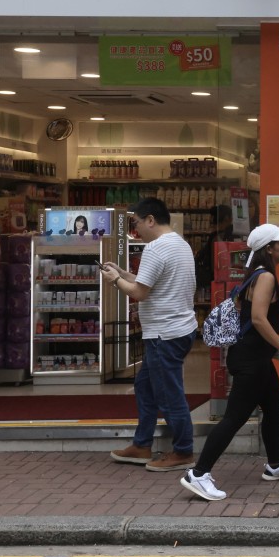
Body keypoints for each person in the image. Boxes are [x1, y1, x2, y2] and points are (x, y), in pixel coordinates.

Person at [180, 223, 279, 501]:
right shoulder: (266, 277)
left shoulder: (257, 274)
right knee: (234, 418)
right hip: (251, 360)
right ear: (269, 249)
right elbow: (259, 319)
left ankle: (275, 464)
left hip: (256, 357)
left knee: (273, 405)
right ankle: (198, 474)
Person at [103, 197, 199, 471]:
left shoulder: (155, 249)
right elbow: (151, 282)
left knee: (169, 394)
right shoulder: (180, 244)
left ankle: (183, 451)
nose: (135, 230)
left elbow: (139, 292)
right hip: (178, 328)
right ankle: (142, 444)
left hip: (164, 334)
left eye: (136, 223)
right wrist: (123, 273)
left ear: (151, 220)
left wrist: (115, 280)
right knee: (145, 386)